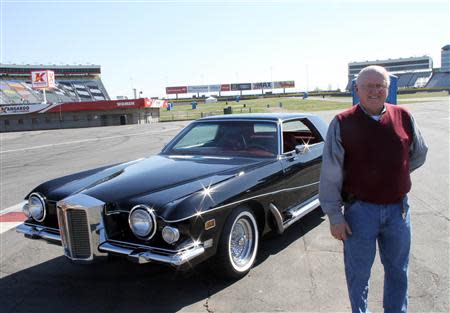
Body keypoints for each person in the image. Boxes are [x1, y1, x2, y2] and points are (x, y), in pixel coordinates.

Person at [319, 65, 428, 313]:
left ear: (387, 89)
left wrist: (396, 173)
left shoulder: (404, 117)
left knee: (398, 271)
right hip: (360, 212)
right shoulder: (342, 123)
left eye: (380, 85)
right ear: (357, 89)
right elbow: (330, 174)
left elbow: (419, 154)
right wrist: (334, 216)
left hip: (398, 212)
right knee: (358, 275)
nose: (374, 90)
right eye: (368, 85)